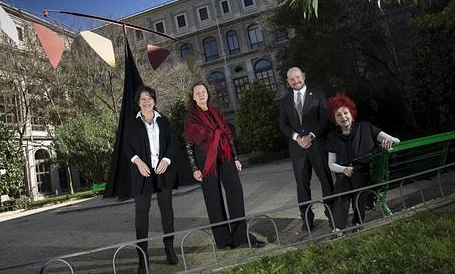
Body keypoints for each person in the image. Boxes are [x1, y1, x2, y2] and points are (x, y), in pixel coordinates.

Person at [184, 83, 265, 249]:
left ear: (208, 94)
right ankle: (223, 241)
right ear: (192, 96)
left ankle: (241, 238)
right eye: (197, 93)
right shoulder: (190, 117)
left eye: (203, 92)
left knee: (235, 194)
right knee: (213, 201)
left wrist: (235, 158)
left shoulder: (217, 113)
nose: (201, 95)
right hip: (205, 162)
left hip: (225, 157)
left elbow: (228, 137)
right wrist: (194, 168)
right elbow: (188, 143)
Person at [326, 93, 399, 234]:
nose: (343, 117)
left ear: (352, 114)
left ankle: (353, 223)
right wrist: (343, 169)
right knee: (342, 185)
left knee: (356, 179)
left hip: (366, 175)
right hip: (345, 174)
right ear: (335, 120)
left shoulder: (366, 128)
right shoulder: (331, 138)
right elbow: (331, 164)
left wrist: (388, 141)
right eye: (338, 115)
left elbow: (395, 141)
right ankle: (341, 227)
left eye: (345, 113)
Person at [124, 86, 178, 274]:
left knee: (167, 210)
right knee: (141, 214)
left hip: (163, 171)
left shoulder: (164, 121)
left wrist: (166, 160)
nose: (147, 102)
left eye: (150, 98)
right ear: (138, 102)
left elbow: (173, 143)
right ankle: (142, 257)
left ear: (155, 100)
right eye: (143, 99)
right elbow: (126, 147)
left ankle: (169, 248)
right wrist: (137, 161)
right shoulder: (131, 123)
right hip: (142, 173)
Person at [278, 67, 334, 231]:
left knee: (326, 180)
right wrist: (297, 138)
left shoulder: (317, 95)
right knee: (302, 185)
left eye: (297, 77)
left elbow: (325, 118)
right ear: (288, 82)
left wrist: (311, 136)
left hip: (317, 145)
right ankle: (307, 220)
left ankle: (331, 214)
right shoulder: (285, 101)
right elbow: (283, 123)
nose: (296, 81)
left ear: (303, 76)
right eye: (292, 79)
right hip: (297, 149)